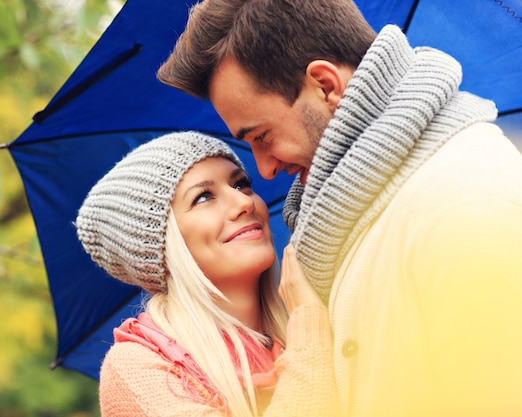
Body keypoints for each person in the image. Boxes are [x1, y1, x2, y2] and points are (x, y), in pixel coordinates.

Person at [156, 1, 522, 416]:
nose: (265, 169)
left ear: (327, 87)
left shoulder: (465, 202)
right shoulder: (369, 211)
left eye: (262, 136)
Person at [75, 131, 339, 417]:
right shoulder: (139, 368)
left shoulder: (331, 317)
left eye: (241, 184)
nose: (244, 203)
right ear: (161, 248)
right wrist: (309, 328)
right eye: (203, 197)